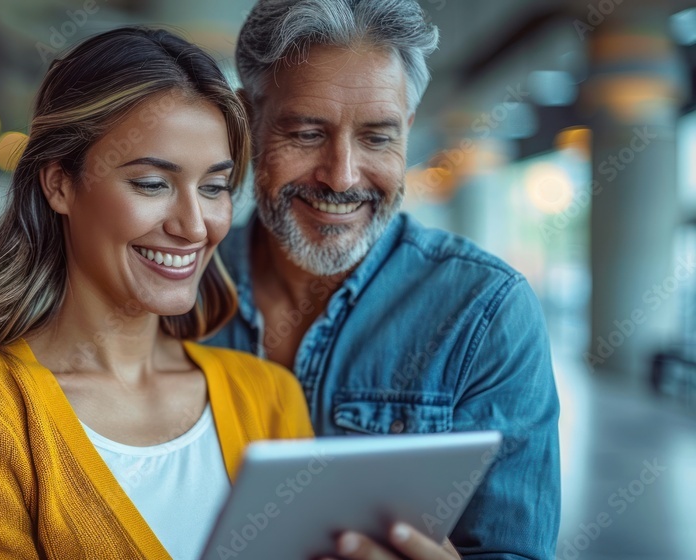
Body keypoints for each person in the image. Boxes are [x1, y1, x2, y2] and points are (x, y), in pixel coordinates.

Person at [0, 27, 314, 560]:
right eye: (151, 184)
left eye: (214, 188)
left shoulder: (270, 397)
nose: (194, 226)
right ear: (60, 185)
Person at [206, 1, 561, 558]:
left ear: (408, 130)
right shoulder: (175, 287)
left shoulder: (487, 313)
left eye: (376, 138)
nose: (342, 176)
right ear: (248, 120)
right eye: (305, 133)